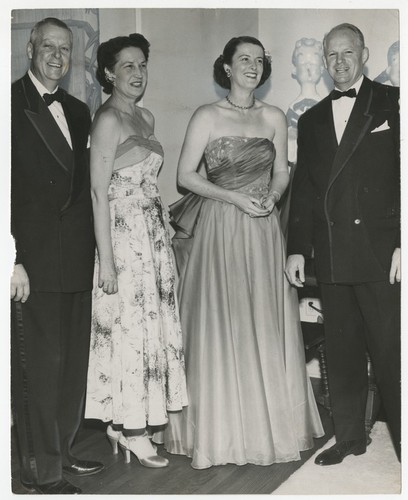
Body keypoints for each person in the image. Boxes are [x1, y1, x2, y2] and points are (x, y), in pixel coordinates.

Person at [161, 35, 324, 469]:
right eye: (243, 59)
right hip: (220, 225)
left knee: (263, 320)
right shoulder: (207, 115)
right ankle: (219, 431)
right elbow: (184, 177)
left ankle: (266, 427)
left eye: (258, 60)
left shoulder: (273, 117)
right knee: (223, 321)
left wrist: (271, 195)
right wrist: (234, 198)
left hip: (263, 229)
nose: (252, 65)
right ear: (227, 68)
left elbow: (282, 171)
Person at [285, 23, 400, 465]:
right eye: (332, 55)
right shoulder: (312, 119)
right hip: (332, 250)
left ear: (364, 54)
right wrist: (296, 247)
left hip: (382, 253)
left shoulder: (393, 102)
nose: (338, 62)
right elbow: (307, 190)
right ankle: (350, 437)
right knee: (342, 347)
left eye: (347, 53)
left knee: (392, 352)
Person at [84, 34, 188, 469]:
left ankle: (131, 422)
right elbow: (97, 191)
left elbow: (150, 184)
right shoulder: (107, 119)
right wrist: (106, 260)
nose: (137, 73)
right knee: (129, 331)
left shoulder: (145, 116)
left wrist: (164, 232)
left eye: (142, 64)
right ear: (109, 73)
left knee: (150, 332)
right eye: (127, 66)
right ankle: (132, 430)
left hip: (152, 236)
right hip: (122, 242)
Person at [11, 17, 103, 494]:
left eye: (65, 50)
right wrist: (11, 257)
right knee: (39, 366)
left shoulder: (78, 109)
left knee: (71, 364)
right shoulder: (10, 102)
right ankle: (39, 470)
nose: (56, 56)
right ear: (30, 49)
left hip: (76, 256)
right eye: (48, 47)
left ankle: (63, 453)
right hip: (33, 259)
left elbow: (83, 187)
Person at [280, 37, 324, 238]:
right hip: (299, 172)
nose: (308, 67)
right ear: (294, 70)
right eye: (303, 62)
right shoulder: (292, 108)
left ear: (322, 69)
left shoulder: (325, 105)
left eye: (314, 62)